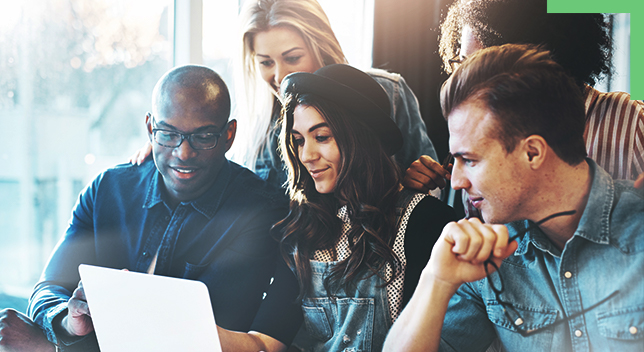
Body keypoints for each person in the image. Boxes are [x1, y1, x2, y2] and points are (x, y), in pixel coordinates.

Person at [0, 65, 289, 352]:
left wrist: (50, 347)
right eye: (168, 133)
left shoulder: (258, 210)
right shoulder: (108, 189)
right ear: (151, 128)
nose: (183, 152)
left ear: (229, 135)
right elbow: (48, 289)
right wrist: (68, 322)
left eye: (203, 137)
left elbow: (198, 337)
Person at [383, 44, 644, 352]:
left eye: (470, 160)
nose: (455, 181)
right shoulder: (491, 254)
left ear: (532, 152)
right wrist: (436, 280)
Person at [216, 64, 457, 352]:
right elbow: (265, 343)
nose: (307, 155)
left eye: (322, 137)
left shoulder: (427, 221)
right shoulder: (303, 230)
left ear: (360, 137)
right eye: (298, 141)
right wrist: (196, 327)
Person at [131, 0, 442, 195]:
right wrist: (171, 141)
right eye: (266, 62)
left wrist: (423, 178)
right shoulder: (255, 124)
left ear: (320, 46)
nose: (278, 76)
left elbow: (433, 182)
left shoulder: (387, 93)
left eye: (292, 58)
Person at [403, 0, 644, 205]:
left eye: (487, 72)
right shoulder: (480, 138)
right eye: (463, 65)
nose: (469, 85)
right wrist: (426, 195)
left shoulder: (633, 127)